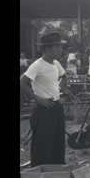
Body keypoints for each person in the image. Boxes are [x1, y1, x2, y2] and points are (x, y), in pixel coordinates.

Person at [19, 32, 68, 169]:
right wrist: (39, 99)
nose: (60, 50)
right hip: (44, 109)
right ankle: (39, 174)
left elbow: (64, 77)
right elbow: (22, 83)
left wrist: (57, 90)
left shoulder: (56, 63)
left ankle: (56, 173)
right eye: (57, 47)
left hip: (56, 107)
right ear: (47, 49)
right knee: (43, 145)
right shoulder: (37, 65)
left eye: (60, 47)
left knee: (57, 143)